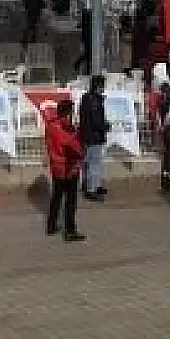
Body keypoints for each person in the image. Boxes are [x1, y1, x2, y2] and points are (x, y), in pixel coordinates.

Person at [43, 99, 87, 242]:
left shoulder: (50, 125)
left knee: (56, 197)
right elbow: (71, 145)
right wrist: (81, 147)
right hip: (68, 166)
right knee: (70, 200)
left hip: (56, 165)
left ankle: (51, 225)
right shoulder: (64, 127)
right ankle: (70, 230)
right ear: (68, 112)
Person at [78, 75, 110, 202]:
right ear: (98, 86)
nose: (104, 88)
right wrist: (106, 126)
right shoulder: (94, 100)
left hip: (88, 136)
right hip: (94, 136)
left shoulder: (87, 98)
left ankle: (94, 185)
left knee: (90, 162)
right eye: (102, 86)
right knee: (94, 164)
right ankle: (92, 190)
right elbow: (96, 120)